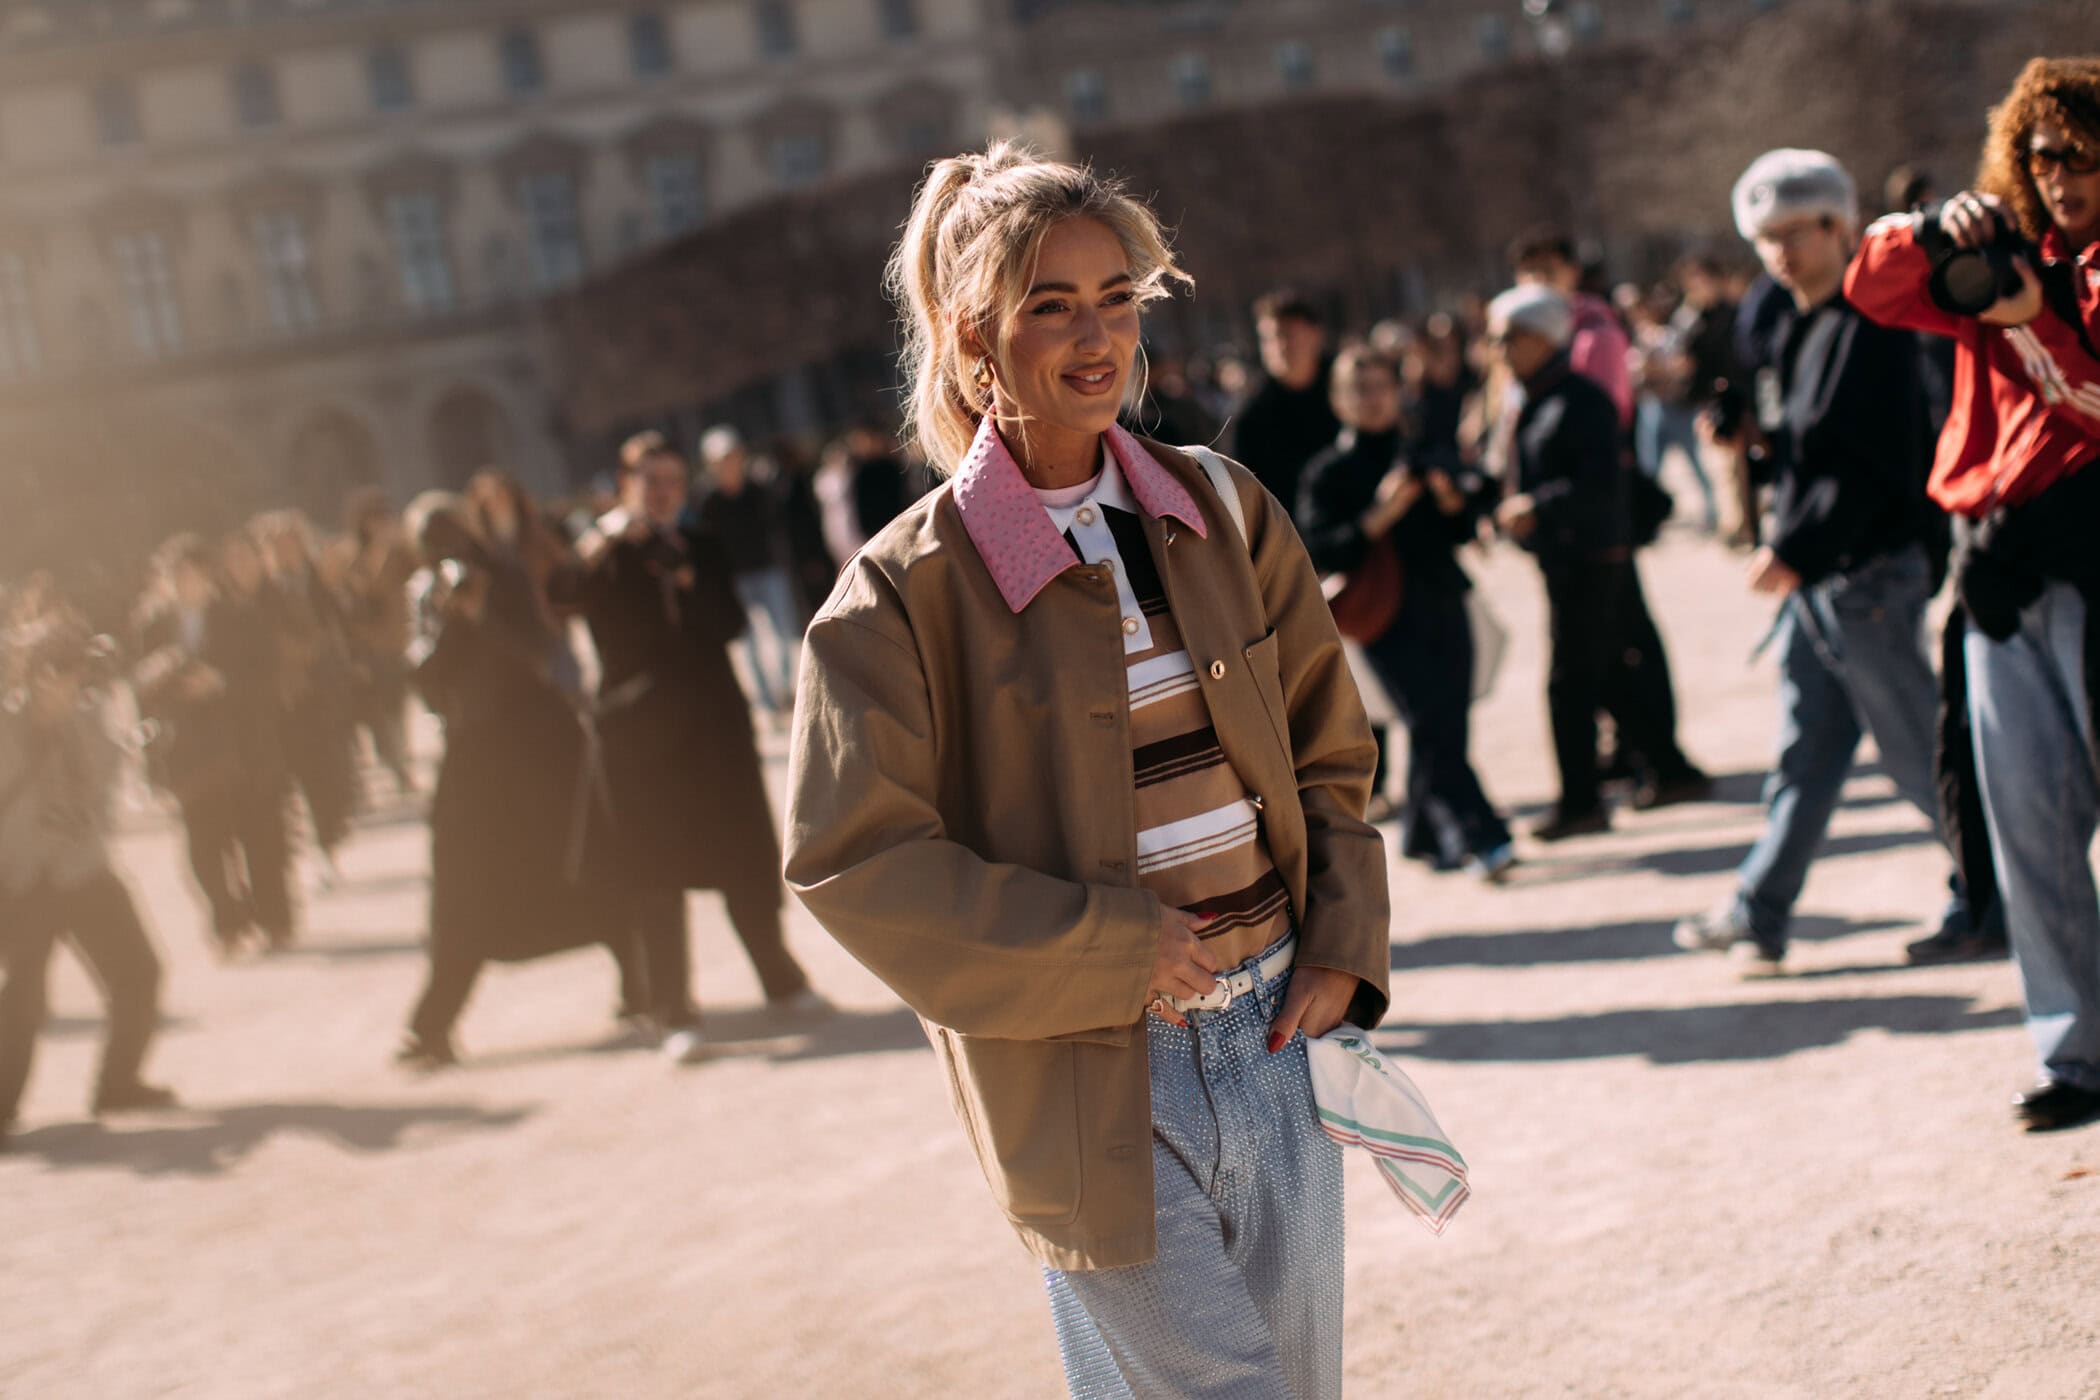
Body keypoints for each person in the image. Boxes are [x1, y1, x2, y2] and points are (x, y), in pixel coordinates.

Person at [786, 144, 1390, 1400]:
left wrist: (1343, 935)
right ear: (973, 340)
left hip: (1278, 1022)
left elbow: (1329, 739)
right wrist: (1107, 947)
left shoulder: (1224, 510)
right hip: (1083, 1059)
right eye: (1049, 306)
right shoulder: (900, 594)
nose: (1094, 334)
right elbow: (855, 859)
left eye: (1116, 296)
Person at [1847, 56, 2100, 1132]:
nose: (2061, 177)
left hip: (2093, 565)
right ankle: (2078, 1052)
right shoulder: (2008, 251)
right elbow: (1873, 286)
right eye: (2043, 155)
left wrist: (2038, 317)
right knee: (2028, 827)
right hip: (1997, 570)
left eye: (2082, 156)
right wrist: (1938, 229)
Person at [1673, 149, 1968, 978]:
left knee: (1918, 749)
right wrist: (1750, 435)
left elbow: (1872, 467)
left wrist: (1794, 546)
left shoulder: (1870, 324)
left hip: (1866, 574)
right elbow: (1810, 447)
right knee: (1808, 751)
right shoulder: (1798, 324)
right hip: (1829, 578)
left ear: (1841, 227)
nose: (1779, 252)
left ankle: (1989, 890)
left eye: (1795, 233)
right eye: (1766, 237)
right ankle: (1759, 910)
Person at [562, 435, 826, 1066]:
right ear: (625, 484)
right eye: (649, 481)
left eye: (672, 481)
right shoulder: (603, 553)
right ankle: (672, 1009)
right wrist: (603, 545)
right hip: (639, 734)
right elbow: (568, 597)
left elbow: (731, 622)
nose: (661, 493)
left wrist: (685, 577)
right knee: (655, 872)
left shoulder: (699, 544)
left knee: (740, 852)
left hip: (711, 723)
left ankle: (780, 977)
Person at [394, 492, 634, 1070]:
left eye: (448, 536)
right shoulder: (428, 595)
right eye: (429, 543)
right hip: (473, 756)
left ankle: (640, 978)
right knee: (461, 889)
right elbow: (426, 685)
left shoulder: (505, 575)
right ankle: (433, 1024)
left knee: (585, 865)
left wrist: (484, 615)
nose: (442, 552)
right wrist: (448, 624)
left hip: (538, 747)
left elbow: (540, 653)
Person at [1298, 343, 1515, 881]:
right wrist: (1379, 514)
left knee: (1448, 722)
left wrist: (1451, 504)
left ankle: (1420, 834)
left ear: (1398, 393)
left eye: (1381, 387)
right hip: (1382, 616)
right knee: (1426, 718)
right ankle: (1484, 835)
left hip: (1444, 597)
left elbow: (1466, 529)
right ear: (1338, 399)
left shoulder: (1424, 450)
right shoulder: (1328, 471)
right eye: (1359, 389)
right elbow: (1318, 549)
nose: (1372, 400)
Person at [1510, 228, 1709, 809]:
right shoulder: (1530, 333)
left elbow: (1600, 426)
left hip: (1592, 523)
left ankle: (1632, 768)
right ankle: (1650, 759)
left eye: (1548, 267)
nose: (1539, 279)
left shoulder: (1587, 335)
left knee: (1604, 653)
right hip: (1573, 523)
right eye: (1530, 269)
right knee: (1613, 649)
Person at [0, 615, 178, 1147]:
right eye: (57, 671)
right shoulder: (6, 730)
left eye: (75, 671)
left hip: (82, 868)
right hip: (25, 879)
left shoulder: (87, 721)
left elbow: (106, 784)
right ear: (31, 675)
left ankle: (117, 1084)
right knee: (26, 998)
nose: (68, 683)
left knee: (139, 972)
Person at [133, 532, 297, 954]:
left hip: (244, 745)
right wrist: (161, 679)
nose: (186, 584)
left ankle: (274, 918)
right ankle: (227, 920)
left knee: (260, 838)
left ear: (209, 577)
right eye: (177, 577)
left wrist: (221, 682)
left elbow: (268, 677)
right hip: (189, 753)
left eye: (194, 575)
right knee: (203, 850)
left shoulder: (241, 616)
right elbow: (141, 691)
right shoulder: (154, 626)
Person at [254, 510, 359, 886]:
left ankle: (327, 837)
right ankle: (312, 845)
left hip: (326, 693)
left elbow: (343, 625)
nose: (286, 553)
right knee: (291, 778)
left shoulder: (319, 581)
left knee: (327, 774)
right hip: (283, 699)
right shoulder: (260, 592)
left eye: (292, 544)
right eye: (276, 546)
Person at [691, 426, 802, 722]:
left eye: (732, 456)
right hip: (733, 578)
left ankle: (784, 693)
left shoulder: (758, 489)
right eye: (721, 459)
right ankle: (767, 704)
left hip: (768, 569)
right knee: (747, 642)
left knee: (784, 634)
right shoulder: (707, 500)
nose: (729, 464)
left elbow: (778, 526)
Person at [334, 490, 419, 796]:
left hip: (403, 637)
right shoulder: (353, 558)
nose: (379, 525)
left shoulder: (400, 552)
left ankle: (401, 758)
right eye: (373, 520)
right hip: (372, 643)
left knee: (401, 705)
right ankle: (397, 764)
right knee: (385, 707)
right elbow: (350, 599)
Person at [1229, 289, 1340, 517]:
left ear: (1316, 335)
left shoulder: (1347, 389)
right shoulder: (1253, 416)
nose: (1279, 347)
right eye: (1268, 339)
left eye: (1288, 334)